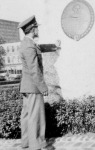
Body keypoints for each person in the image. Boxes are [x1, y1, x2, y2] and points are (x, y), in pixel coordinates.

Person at [18, 15, 60, 150]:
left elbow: (39, 48)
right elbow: (34, 69)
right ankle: (37, 145)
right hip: (33, 86)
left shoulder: (27, 43)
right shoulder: (29, 46)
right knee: (35, 116)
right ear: (33, 29)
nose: (38, 30)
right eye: (36, 28)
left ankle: (26, 142)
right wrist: (43, 87)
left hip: (27, 86)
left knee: (26, 115)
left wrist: (55, 46)